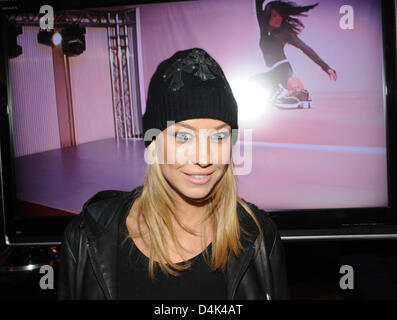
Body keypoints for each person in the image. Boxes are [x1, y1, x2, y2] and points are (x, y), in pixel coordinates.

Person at [57, 48, 288, 300]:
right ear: (154, 142)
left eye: (219, 136)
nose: (203, 158)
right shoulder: (87, 238)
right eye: (183, 136)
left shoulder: (259, 236)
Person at [254, 0, 337, 108]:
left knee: (281, 80)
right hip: (274, 69)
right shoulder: (264, 26)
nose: (278, 18)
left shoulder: (285, 33)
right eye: (274, 15)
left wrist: (326, 67)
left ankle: (297, 93)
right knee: (254, 82)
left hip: (282, 67)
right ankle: (296, 94)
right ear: (267, 15)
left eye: (280, 15)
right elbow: (258, 4)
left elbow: (306, 49)